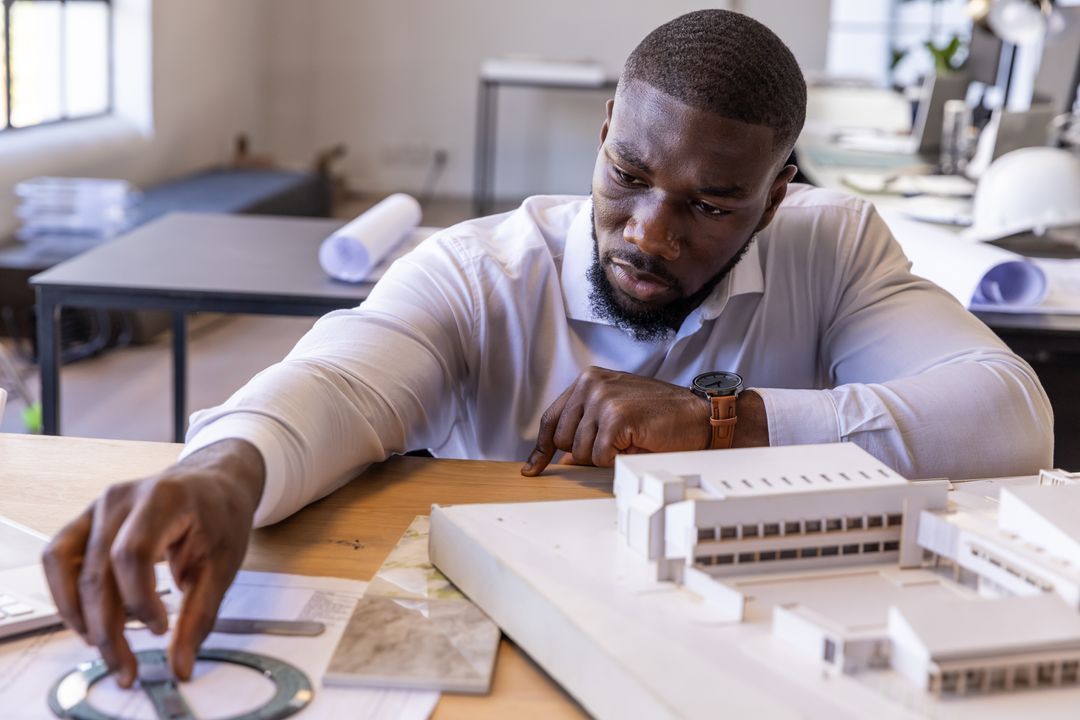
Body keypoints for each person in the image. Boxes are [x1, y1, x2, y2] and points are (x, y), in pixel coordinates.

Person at [43, 9, 1052, 688]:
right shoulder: (481, 269)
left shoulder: (830, 243)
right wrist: (226, 470)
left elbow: (1010, 414)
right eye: (628, 175)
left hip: (732, 654)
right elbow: (344, 378)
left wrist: (722, 423)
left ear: (776, 194)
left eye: (710, 204)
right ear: (605, 130)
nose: (652, 234)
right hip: (510, 648)